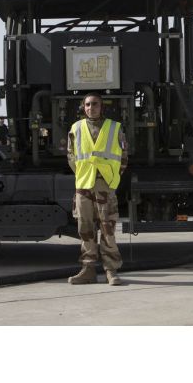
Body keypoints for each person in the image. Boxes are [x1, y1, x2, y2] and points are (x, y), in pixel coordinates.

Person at [67, 93, 127, 286]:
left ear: (102, 107)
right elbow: (71, 156)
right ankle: (88, 270)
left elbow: (123, 156)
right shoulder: (76, 128)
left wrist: (112, 178)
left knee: (107, 228)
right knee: (85, 229)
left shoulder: (114, 128)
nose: (91, 107)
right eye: (87, 104)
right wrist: (83, 173)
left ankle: (111, 271)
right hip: (84, 185)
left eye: (95, 104)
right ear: (83, 107)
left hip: (105, 186)